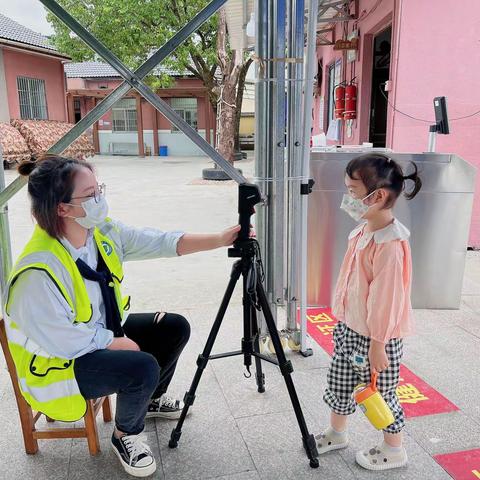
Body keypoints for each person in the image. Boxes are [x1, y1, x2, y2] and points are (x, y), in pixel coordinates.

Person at [4, 155, 242, 477]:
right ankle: (125, 435)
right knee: (141, 365)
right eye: (91, 195)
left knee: (173, 327)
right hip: (59, 364)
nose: (100, 199)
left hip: (97, 334)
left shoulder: (99, 233)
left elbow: (160, 241)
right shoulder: (38, 270)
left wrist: (221, 239)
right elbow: (60, 341)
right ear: (63, 208)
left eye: (99, 189)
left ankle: (150, 400)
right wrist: (112, 342)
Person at [316, 153, 422, 471]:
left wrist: (378, 344)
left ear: (378, 196)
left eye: (352, 191)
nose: (347, 198)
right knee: (339, 382)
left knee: (380, 394)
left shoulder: (390, 245)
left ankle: (394, 449)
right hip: (351, 328)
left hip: (377, 338)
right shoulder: (364, 230)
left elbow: (386, 301)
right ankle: (338, 433)